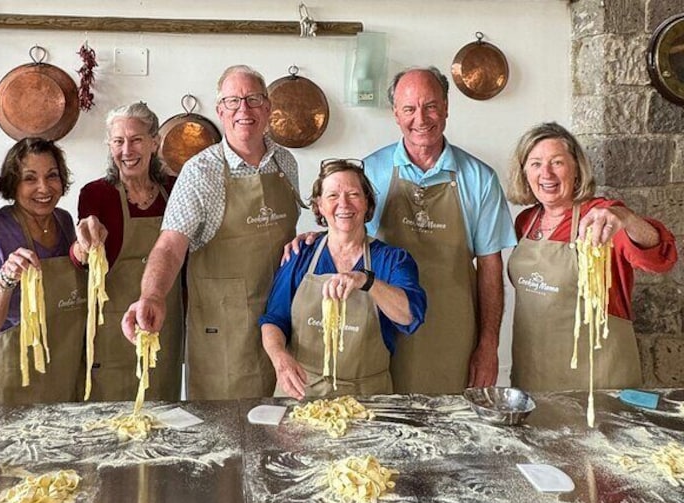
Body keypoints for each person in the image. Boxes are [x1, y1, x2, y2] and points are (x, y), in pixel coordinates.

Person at [121, 64, 303, 401]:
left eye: (252, 100)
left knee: (282, 431)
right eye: (233, 101)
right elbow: (170, 246)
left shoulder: (286, 163)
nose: (243, 110)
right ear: (220, 111)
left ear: (267, 109)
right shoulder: (199, 172)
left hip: (283, 322)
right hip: (225, 334)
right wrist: (153, 295)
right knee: (228, 437)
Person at [363, 66, 516, 394]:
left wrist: (489, 346)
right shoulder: (369, 171)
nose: (421, 118)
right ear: (395, 115)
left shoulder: (479, 178)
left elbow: (490, 267)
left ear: (446, 108)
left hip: (452, 335)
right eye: (409, 109)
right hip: (383, 328)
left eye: (431, 106)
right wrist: (310, 240)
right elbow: (343, 239)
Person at [507, 121, 677, 393]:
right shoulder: (526, 222)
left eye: (557, 162)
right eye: (536, 163)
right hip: (534, 373)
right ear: (524, 171)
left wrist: (627, 218)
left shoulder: (601, 216)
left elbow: (661, 258)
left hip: (598, 380)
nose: (546, 173)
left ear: (576, 169)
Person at [260, 159, 426, 400]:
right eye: (332, 195)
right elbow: (274, 319)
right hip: (301, 392)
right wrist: (279, 358)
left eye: (353, 194)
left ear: (367, 202)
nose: (343, 204)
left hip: (368, 398)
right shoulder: (300, 255)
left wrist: (366, 281)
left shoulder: (392, 260)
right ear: (319, 205)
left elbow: (410, 316)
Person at [0, 137, 106, 406]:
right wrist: (6, 278)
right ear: (13, 185)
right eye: (30, 178)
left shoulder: (63, 222)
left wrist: (88, 251)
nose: (43, 188)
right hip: (4, 378)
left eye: (52, 176)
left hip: (56, 376)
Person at [75, 102, 182, 402]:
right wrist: (85, 244)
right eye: (118, 141)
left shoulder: (174, 189)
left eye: (136, 140)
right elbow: (85, 257)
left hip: (164, 319)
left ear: (154, 142)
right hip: (112, 324)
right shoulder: (96, 194)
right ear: (109, 146)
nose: (127, 150)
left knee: (163, 406)